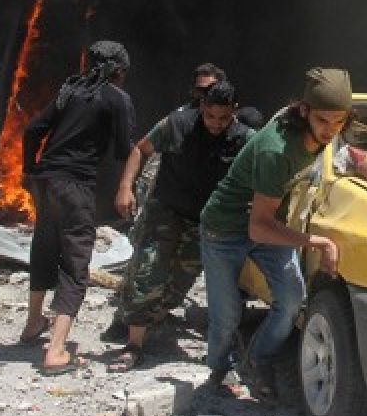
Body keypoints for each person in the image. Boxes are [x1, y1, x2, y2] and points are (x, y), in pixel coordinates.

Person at [199, 67, 348, 398]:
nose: (331, 131)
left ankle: (258, 358)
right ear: (305, 111)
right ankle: (219, 371)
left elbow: (349, 153)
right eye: (324, 121)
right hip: (225, 230)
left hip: (269, 226)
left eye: (339, 123)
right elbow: (258, 227)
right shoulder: (275, 150)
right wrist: (317, 241)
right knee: (226, 316)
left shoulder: (324, 133)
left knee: (293, 301)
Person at [105, 81, 255, 370]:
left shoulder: (245, 138)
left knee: (180, 282)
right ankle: (134, 344)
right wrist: (125, 186)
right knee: (149, 271)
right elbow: (141, 150)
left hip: (204, 219)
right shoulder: (177, 124)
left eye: (224, 118)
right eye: (211, 116)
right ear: (202, 108)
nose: (216, 124)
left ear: (234, 112)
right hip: (166, 209)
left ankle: (152, 317)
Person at [19, 41, 135, 375]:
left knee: (44, 247)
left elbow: (32, 130)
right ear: (119, 71)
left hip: (46, 181)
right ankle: (55, 350)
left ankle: (32, 324)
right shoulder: (117, 98)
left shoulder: (68, 92)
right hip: (75, 186)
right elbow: (123, 150)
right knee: (75, 262)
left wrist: (29, 170)